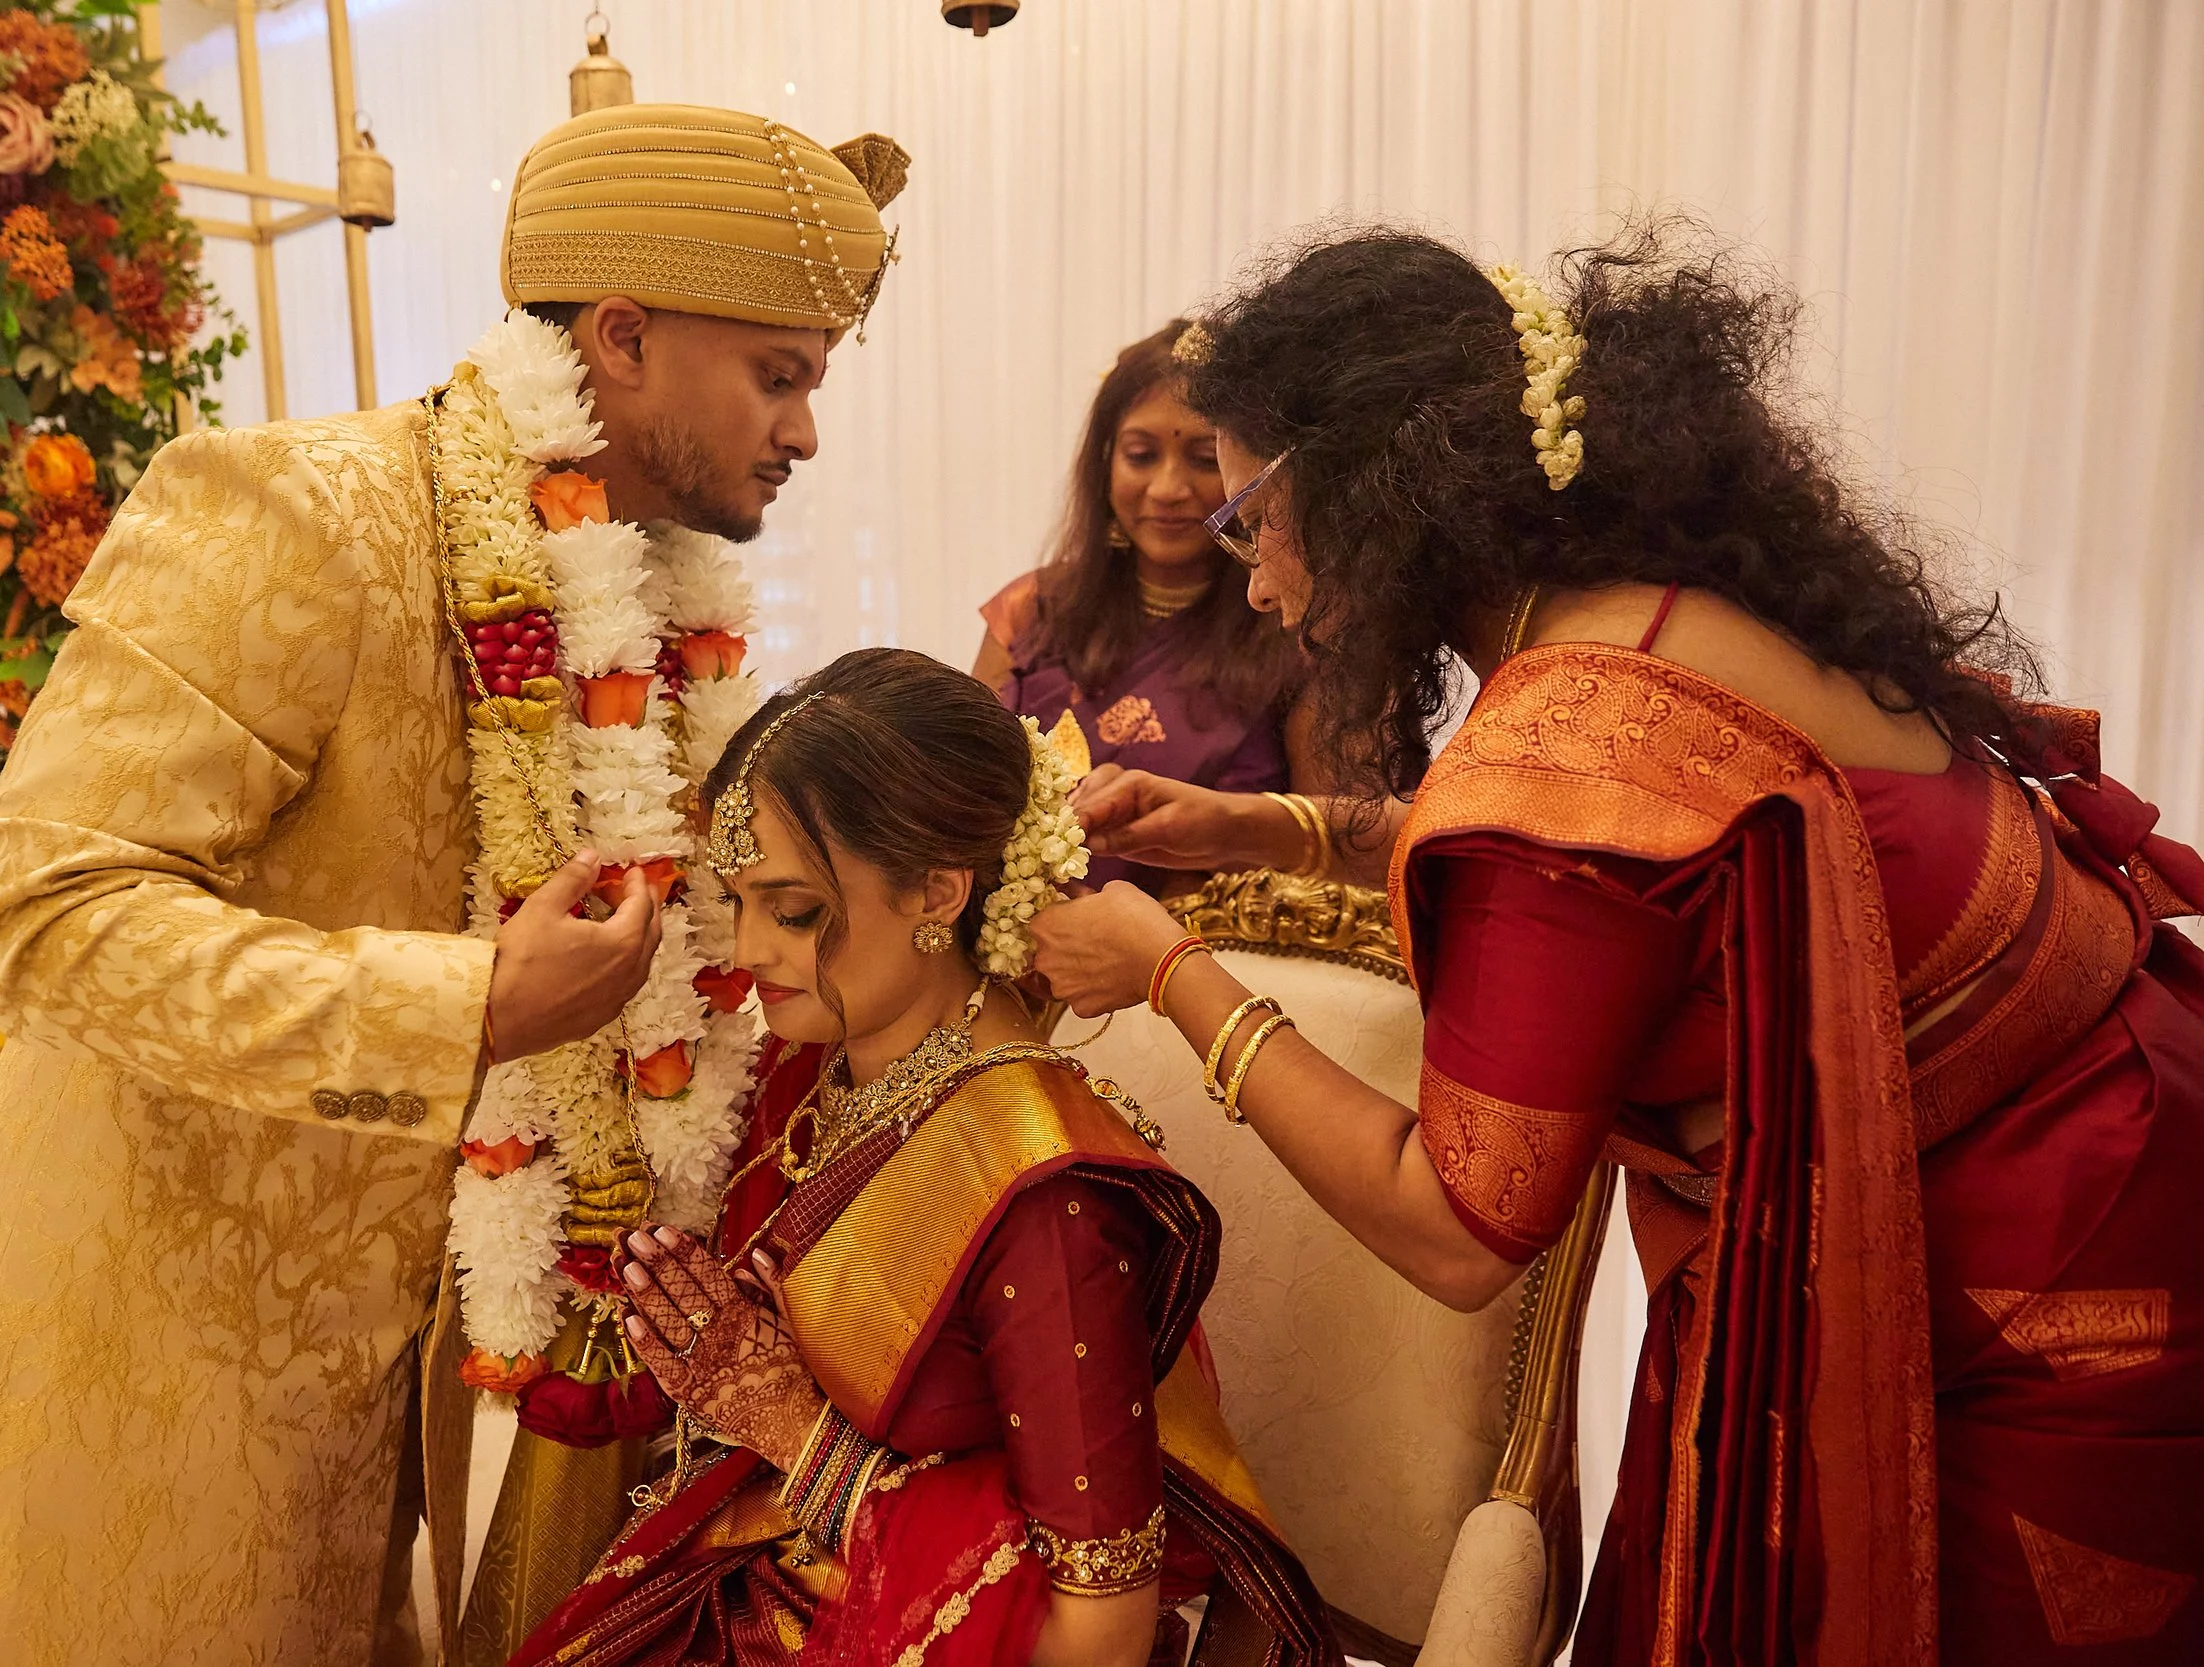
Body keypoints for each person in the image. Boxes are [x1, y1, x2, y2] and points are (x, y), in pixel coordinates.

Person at [1029, 220, 2204, 1664]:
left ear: (1365, 485)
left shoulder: (1560, 742)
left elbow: (1458, 1228)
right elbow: (1664, 872)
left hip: (2029, 1271)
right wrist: (1273, 828)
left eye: (1250, 516)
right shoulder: (1661, 606)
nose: (1257, 581)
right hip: (2125, 1120)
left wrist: (1168, 975)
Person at [0, 104, 908, 1667]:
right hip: (168, 1343)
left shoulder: (658, 599)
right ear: (620, 336)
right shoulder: (293, 512)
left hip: (446, 1370)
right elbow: (50, 917)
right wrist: (472, 1001)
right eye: (781, 374)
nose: (807, 431)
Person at [512, 649, 1333, 1667]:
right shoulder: (820, 1073)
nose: (750, 950)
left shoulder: (1045, 1195)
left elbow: (1103, 1632)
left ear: (939, 890)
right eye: (737, 901)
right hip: (773, 1592)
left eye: (794, 908)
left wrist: (795, 1434)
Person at [973, 321, 1310, 892]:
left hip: (1218, 962)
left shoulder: (1298, 626)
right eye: (1140, 455)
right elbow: (955, 793)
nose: (1168, 489)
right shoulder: (1030, 609)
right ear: (1104, 463)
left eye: (1205, 459)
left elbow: (1334, 847)